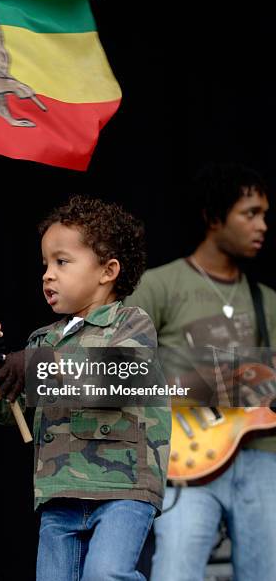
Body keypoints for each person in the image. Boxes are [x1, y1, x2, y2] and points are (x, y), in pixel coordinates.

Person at [0, 195, 171, 581]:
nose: (47, 274)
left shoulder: (131, 322)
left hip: (123, 488)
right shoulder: (42, 339)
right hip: (59, 492)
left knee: (105, 574)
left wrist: (33, 362)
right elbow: (5, 408)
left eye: (62, 262)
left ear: (108, 271)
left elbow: (121, 376)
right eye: (45, 264)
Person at [126, 163, 276, 581]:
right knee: (175, 572)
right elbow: (117, 364)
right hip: (184, 456)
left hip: (263, 456)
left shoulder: (269, 302)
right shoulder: (160, 285)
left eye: (264, 214)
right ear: (214, 218)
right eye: (250, 213)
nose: (262, 225)